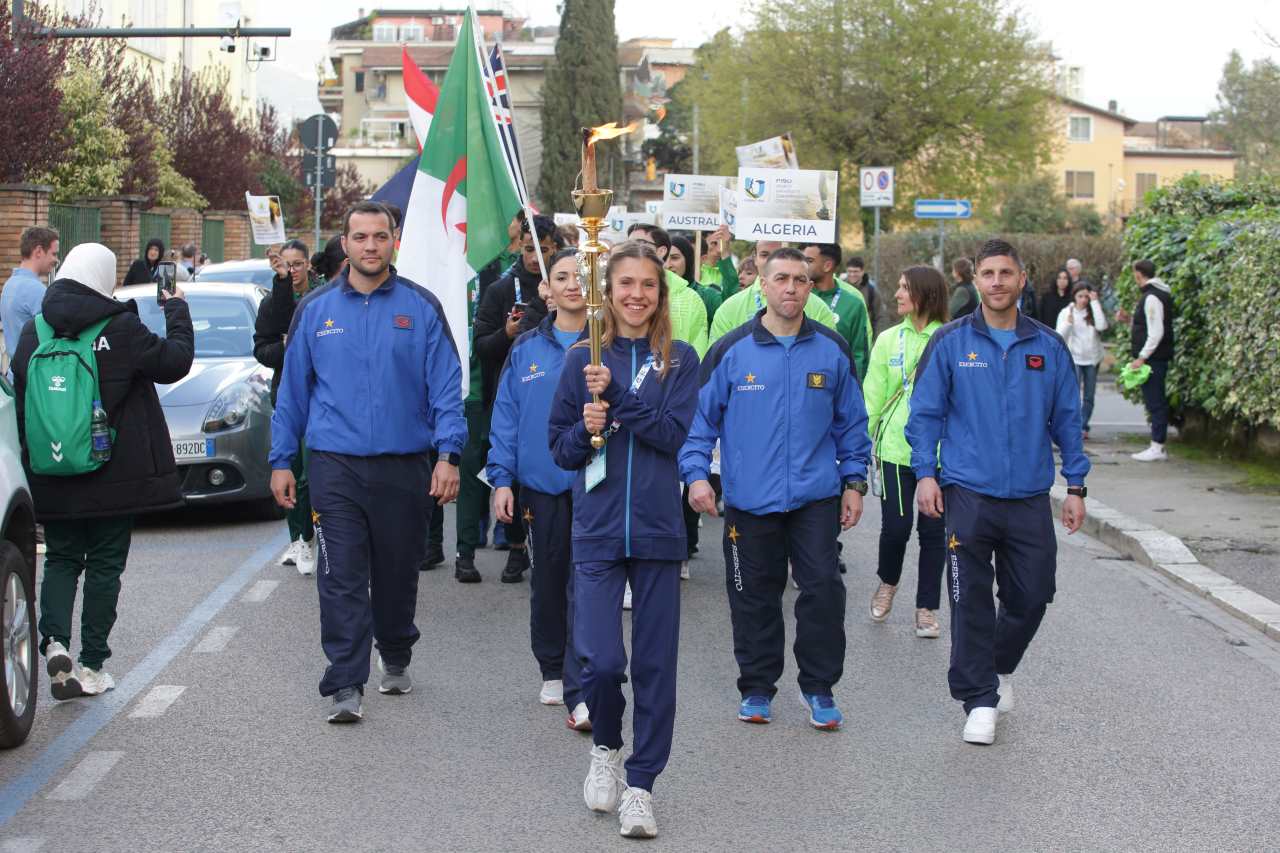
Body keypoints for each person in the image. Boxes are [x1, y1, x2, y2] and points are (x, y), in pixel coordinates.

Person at [269, 201, 466, 724]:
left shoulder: (421, 308)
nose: (371, 246)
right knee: (341, 575)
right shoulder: (315, 310)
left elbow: (447, 386)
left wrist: (448, 454)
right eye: (360, 237)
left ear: (393, 241)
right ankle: (345, 682)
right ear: (346, 244)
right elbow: (292, 392)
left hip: (405, 465)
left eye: (380, 237)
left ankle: (396, 651)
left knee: (398, 574)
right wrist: (282, 459)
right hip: (336, 467)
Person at [906, 238, 1089, 746]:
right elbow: (925, 416)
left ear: (1021, 278)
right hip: (968, 492)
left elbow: (1068, 422)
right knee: (969, 601)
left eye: (1006, 273)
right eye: (988, 274)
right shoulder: (950, 341)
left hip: (1030, 495)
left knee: (1033, 595)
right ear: (977, 280)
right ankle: (978, 700)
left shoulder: (1048, 346)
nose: (996, 282)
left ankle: (998, 666)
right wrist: (926, 473)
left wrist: (1075, 485)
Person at [681, 247, 871, 729]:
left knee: (823, 590)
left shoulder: (831, 349)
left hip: (815, 497)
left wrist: (854, 481)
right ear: (761, 286)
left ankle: (820, 688)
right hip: (750, 500)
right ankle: (758, 687)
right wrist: (696, 475)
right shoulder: (731, 351)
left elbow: (852, 423)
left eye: (800, 280)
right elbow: (699, 422)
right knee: (753, 595)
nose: (791, 288)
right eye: (781, 278)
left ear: (811, 287)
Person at [548, 240, 699, 839]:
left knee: (657, 666)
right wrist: (586, 432)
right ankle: (606, 748)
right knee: (602, 662)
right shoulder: (579, 360)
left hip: (661, 533)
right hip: (598, 531)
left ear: (661, 295)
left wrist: (616, 399)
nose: (637, 294)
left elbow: (672, 435)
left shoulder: (680, 360)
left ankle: (641, 785)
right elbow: (559, 451)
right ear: (606, 292)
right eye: (625, 284)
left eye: (648, 285)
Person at [12, 242, 194, 699]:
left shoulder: (35, 332)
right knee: (104, 567)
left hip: (53, 469)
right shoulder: (120, 326)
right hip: (116, 476)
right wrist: (177, 311)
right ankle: (91, 665)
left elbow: (22, 402)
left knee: (61, 558)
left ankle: (55, 642)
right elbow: (174, 362)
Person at [488, 249, 591, 730]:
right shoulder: (526, 348)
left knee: (591, 581)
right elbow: (506, 417)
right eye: (563, 277)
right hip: (543, 486)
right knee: (549, 579)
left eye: (582, 275)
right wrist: (501, 479)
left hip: (598, 485)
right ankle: (553, 666)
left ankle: (587, 668)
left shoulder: (611, 344)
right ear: (546, 288)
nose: (573, 285)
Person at [469, 215, 564, 582]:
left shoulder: (566, 294)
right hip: (507, 393)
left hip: (557, 407)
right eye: (528, 248)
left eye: (544, 250)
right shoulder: (500, 289)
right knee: (511, 469)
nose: (535, 256)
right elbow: (482, 347)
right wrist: (506, 333)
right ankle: (514, 546)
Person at [864, 266, 949, 638]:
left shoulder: (950, 339)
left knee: (934, 534)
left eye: (904, 288)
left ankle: (926, 607)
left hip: (941, 455)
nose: (897, 294)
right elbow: (873, 393)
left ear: (925, 295)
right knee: (896, 529)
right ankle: (888, 583)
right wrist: (860, 446)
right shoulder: (887, 340)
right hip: (895, 451)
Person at [253, 239, 323, 575]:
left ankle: (313, 534)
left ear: (309, 264)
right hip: (287, 395)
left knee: (312, 473)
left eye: (298, 264)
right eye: (287, 265)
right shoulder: (273, 302)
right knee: (291, 469)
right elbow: (262, 350)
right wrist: (289, 350)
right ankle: (299, 537)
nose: (293, 271)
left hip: (322, 397)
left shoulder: (325, 296)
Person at [709, 243, 836, 344]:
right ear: (755, 258)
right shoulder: (729, 308)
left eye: (779, 254)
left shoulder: (820, 309)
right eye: (765, 255)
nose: (772, 260)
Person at [625, 223, 709, 357]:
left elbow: (698, 355)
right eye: (628, 245)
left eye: (639, 243)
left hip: (677, 375)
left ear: (661, 251)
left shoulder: (691, 299)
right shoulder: (617, 293)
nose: (631, 250)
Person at [1123, 259, 1173, 462]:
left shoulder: (1152, 297)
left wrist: (1142, 357)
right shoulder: (1157, 294)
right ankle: (1157, 445)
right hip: (1156, 357)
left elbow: (1156, 331)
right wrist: (1129, 321)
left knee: (1155, 402)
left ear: (1138, 274)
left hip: (1154, 359)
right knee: (1155, 401)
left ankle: (1157, 446)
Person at [800, 243, 871, 381]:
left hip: (837, 384)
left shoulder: (853, 303)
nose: (803, 265)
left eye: (809, 261)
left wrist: (855, 390)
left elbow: (859, 354)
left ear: (827, 266)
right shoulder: (797, 297)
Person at [2, 227, 60, 378]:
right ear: (39, 251)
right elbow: (53, 338)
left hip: (15, 373)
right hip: (34, 376)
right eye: (53, 253)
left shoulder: (10, 284)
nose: (56, 260)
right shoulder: (34, 289)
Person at [1055, 283, 1108, 440]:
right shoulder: (1066, 312)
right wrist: (1068, 324)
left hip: (1092, 360)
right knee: (1073, 395)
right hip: (1074, 359)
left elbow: (1102, 326)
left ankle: (1083, 425)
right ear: (1074, 296)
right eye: (1080, 296)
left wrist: (1095, 302)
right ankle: (1073, 426)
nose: (1083, 300)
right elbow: (1059, 337)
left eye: (1086, 296)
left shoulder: (1093, 311)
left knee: (1089, 396)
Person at [667, 234, 722, 326]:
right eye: (663, 258)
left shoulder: (708, 296)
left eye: (674, 258)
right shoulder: (652, 294)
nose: (667, 265)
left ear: (688, 260)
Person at [843, 256, 879, 334]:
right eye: (849, 271)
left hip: (864, 335)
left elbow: (879, 316)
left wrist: (877, 339)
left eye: (855, 271)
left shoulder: (871, 290)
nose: (852, 274)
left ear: (862, 271)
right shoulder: (840, 287)